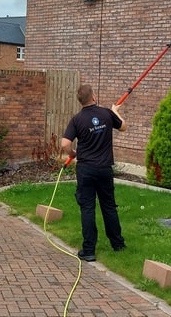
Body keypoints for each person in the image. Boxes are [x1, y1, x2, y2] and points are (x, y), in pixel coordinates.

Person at [60, 83, 127, 262]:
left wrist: (72, 154)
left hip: (86, 170)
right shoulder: (106, 113)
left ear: (80, 100)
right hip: (104, 169)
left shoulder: (77, 119)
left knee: (87, 208)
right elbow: (123, 127)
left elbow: (65, 144)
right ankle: (118, 244)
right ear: (94, 96)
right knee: (109, 206)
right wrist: (115, 111)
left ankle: (89, 251)